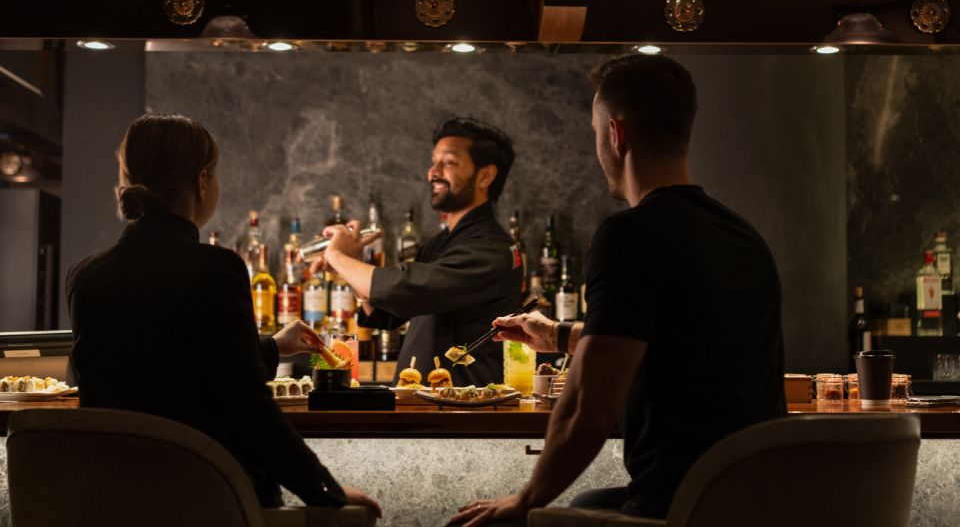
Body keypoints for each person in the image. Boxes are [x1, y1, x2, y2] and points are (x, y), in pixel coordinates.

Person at [451, 55, 786, 525]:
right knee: (588, 504)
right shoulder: (743, 237)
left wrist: (525, 500)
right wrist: (560, 336)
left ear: (615, 134)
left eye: (594, 132)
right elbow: (675, 338)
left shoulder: (629, 234)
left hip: (679, 507)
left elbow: (590, 405)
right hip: (757, 503)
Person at [67, 113, 380, 517]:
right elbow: (247, 407)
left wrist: (270, 347)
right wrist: (324, 489)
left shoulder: (86, 275)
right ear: (202, 182)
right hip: (207, 501)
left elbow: (160, 363)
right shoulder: (216, 268)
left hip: (112, 503)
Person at [311, 117, 523, 387]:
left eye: (448, 162)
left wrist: (336, 256)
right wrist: (350, 263)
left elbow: (403, 287)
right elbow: (388, 309)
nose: (433, 172)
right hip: (424, 403)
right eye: (433, 161)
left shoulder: (491, 248)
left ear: (485, 175)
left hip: (463, 408)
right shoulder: (441, 243)